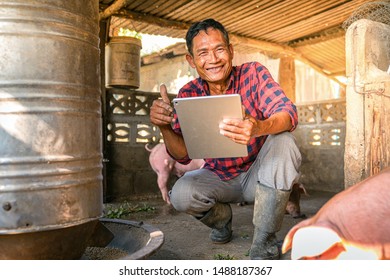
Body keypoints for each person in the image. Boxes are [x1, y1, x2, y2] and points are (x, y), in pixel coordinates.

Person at [150, 18, 301, 260]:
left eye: (219, 49)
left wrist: (260, 126)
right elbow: (182, 154)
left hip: (260, 176)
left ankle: (264, 240)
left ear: (230, 51)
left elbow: (287, 113)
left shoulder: (253, 73)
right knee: (181, 194)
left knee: (283, 140)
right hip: (218, 177)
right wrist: (164, 127)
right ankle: (222, 222)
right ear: (191, 60)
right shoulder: (188, 93)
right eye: (203, 53)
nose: (213, 59)